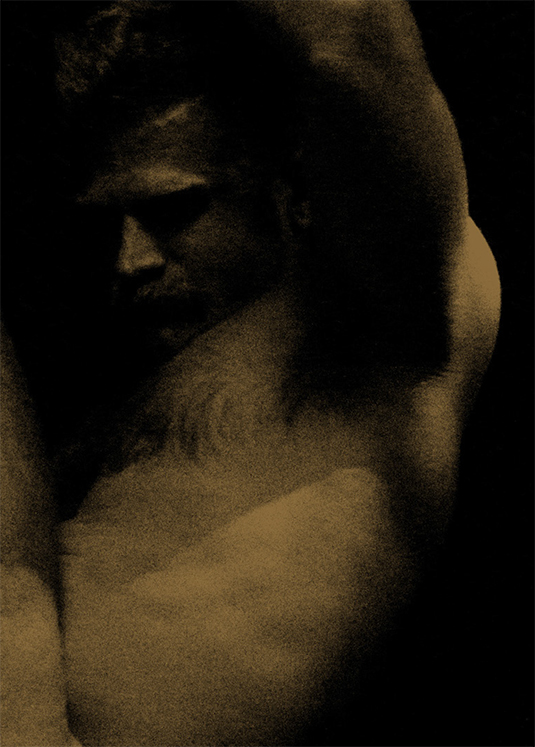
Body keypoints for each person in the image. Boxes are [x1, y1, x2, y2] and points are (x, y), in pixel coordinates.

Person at [1, 2, 501, 745]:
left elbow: (352, 33)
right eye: (109, 225)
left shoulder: (389, 322)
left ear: (295, 190)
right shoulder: (154, 386)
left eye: (175, 210)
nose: (129, 261)